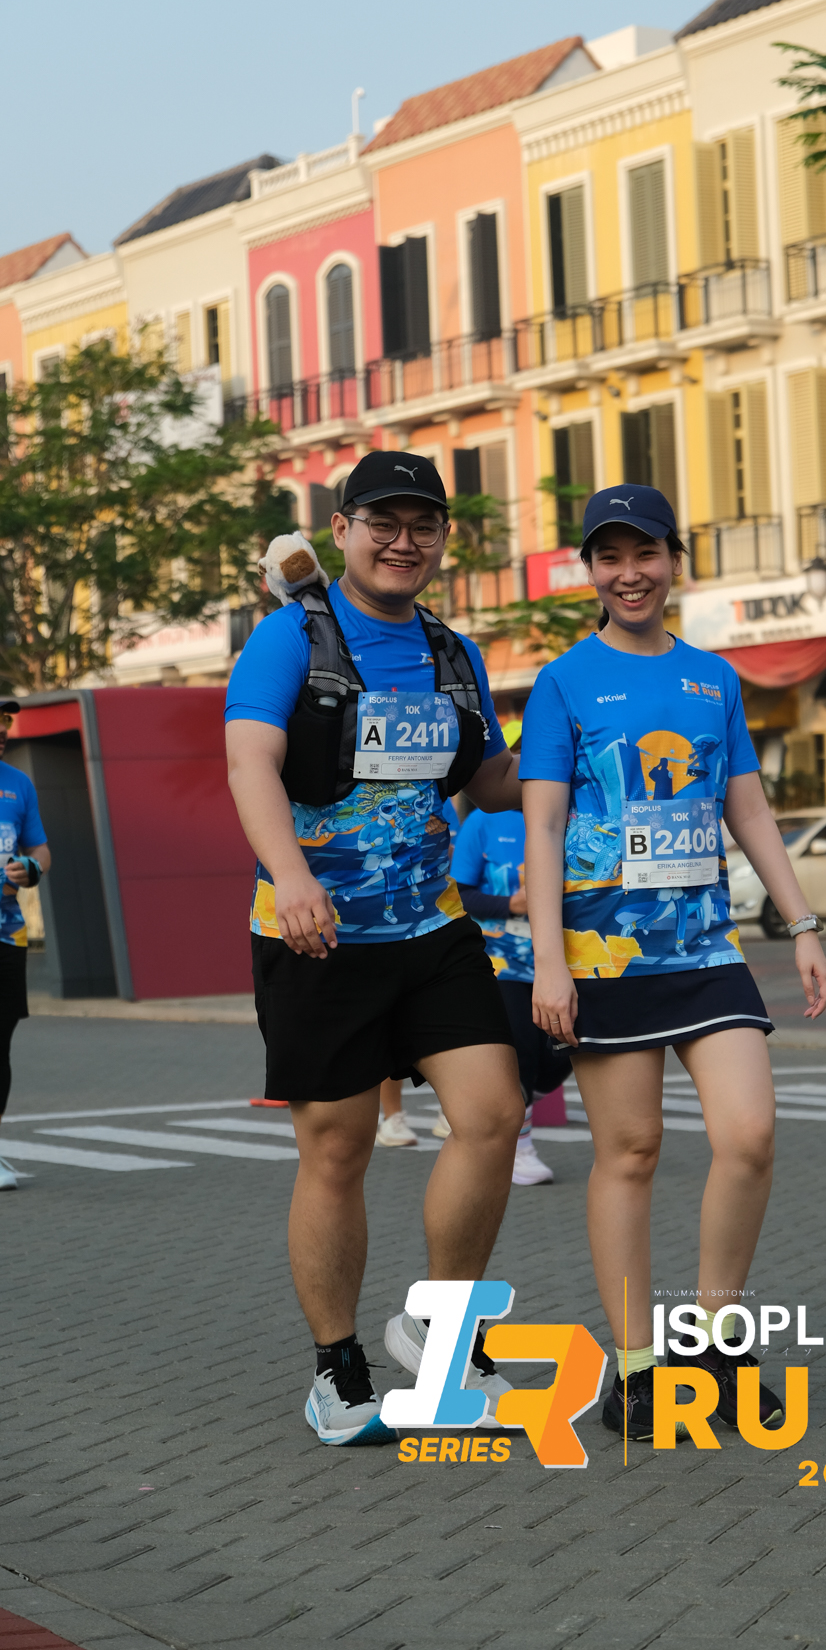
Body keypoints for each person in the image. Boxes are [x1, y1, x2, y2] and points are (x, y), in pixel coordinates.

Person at [225, 450, 526, 1446]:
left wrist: (570, 755)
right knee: (338, 1149)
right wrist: (291, 875)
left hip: (433, 929)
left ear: (442, 538)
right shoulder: (289, 638)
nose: (403, 543)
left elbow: (486, 781)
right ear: (343, 530)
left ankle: (439, 1336)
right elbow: (250, 763)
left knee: (493, 1115)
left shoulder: (452, 651)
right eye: (382, 524)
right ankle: (337, 1370)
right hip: (316, 936)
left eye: (422, 526)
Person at [520, 485, 826, 1443]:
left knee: (750, 1135)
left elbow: (748, 809)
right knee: (631, 1152)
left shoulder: (713, 679)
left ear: (673, 560)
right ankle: (638, 1368)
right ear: (590, 570)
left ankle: (717, 1344)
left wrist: (802, 921)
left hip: (703, 946)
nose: (631, 574)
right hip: (606, 954)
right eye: (610, 557)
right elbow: (543, 828)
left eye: (646, 554)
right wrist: (548, 964)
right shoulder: (563, 683)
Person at [451, 736, 573, 1186]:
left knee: (560, 1058)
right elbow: (460, 894)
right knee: (520, 1053)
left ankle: (508, 1110)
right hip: (501, 963)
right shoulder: (483, 822)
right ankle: (519, 1148)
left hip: (562, 962)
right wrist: (511, 906)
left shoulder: (573, 816)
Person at [376, 798, 461, 1148]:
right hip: (377, 931)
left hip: (434, 923)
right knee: (386, 1029)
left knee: (445, 1028)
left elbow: (453, 850)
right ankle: (392, 1117)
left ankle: (449, 1110)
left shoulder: (436, 797)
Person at [0, 699, 51, 1193]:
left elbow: (39, 849)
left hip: (6, 934)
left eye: (5, 721)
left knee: (0, 1043)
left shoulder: (18, 784)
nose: (2, 729)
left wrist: (31, 868)